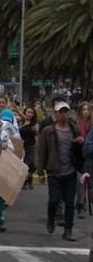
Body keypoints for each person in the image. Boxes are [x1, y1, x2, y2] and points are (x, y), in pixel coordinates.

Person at [37, 101, 84, 241]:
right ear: (55, 114)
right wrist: (40, 171)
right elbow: (42, 152)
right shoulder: (48, 131)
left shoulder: (74, 129)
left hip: (70, 171)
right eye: (61, 112)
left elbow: (80, 149)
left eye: (66, 112)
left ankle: (68, 230)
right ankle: (51, 219)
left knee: (70, 202)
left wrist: (81, 141)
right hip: (54, 172)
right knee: (54, 200)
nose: (64, 115)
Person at [19, 105, 38, 191]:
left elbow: (37, 134)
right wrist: (23, 125)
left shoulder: (35, 124)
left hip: (31, 146)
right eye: (28, 112)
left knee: (31, 164)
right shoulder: (20, 122)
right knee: (23, 164)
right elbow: (16, 131)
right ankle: (23, 182)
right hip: (21, 145)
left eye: (32, 113)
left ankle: (29, 180)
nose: (30, 114)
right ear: (25, 113)